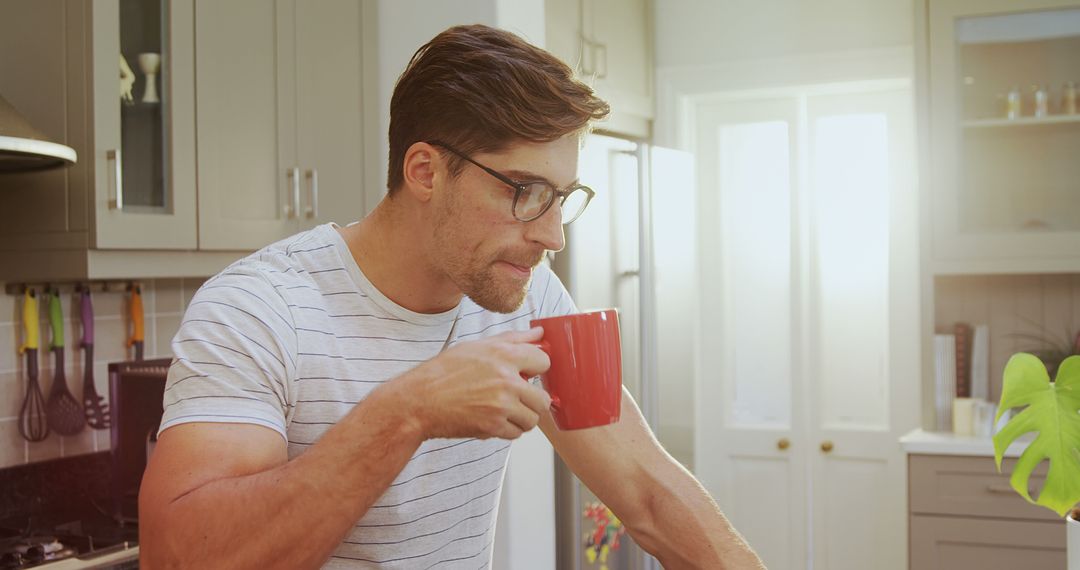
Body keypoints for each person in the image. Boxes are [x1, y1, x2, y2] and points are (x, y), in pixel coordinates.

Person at [138, 24, 765, 570]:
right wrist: (409, 410)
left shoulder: (529, 292)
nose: (551, 235)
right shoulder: (258, 310)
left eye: (562, 198)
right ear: (425, 172)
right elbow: (182, 560)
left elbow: (649, 493)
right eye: (525, 191)